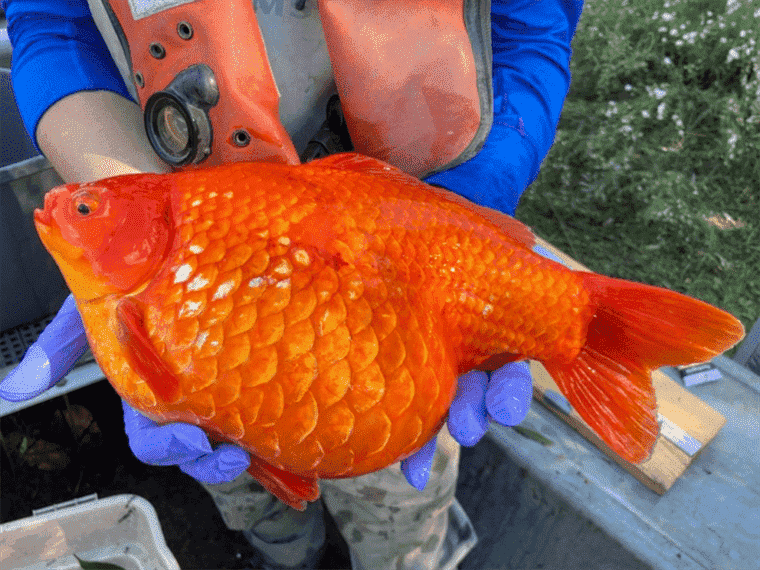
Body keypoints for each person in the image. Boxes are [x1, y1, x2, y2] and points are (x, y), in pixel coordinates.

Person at [0, 1, 583, 568]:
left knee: (400, 503)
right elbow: (54, 25)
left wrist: (461, 216)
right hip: (200, 230)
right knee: (236, 477)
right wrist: (141, 217)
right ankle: (284, 555)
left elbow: (529, 30)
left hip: (401, 285)